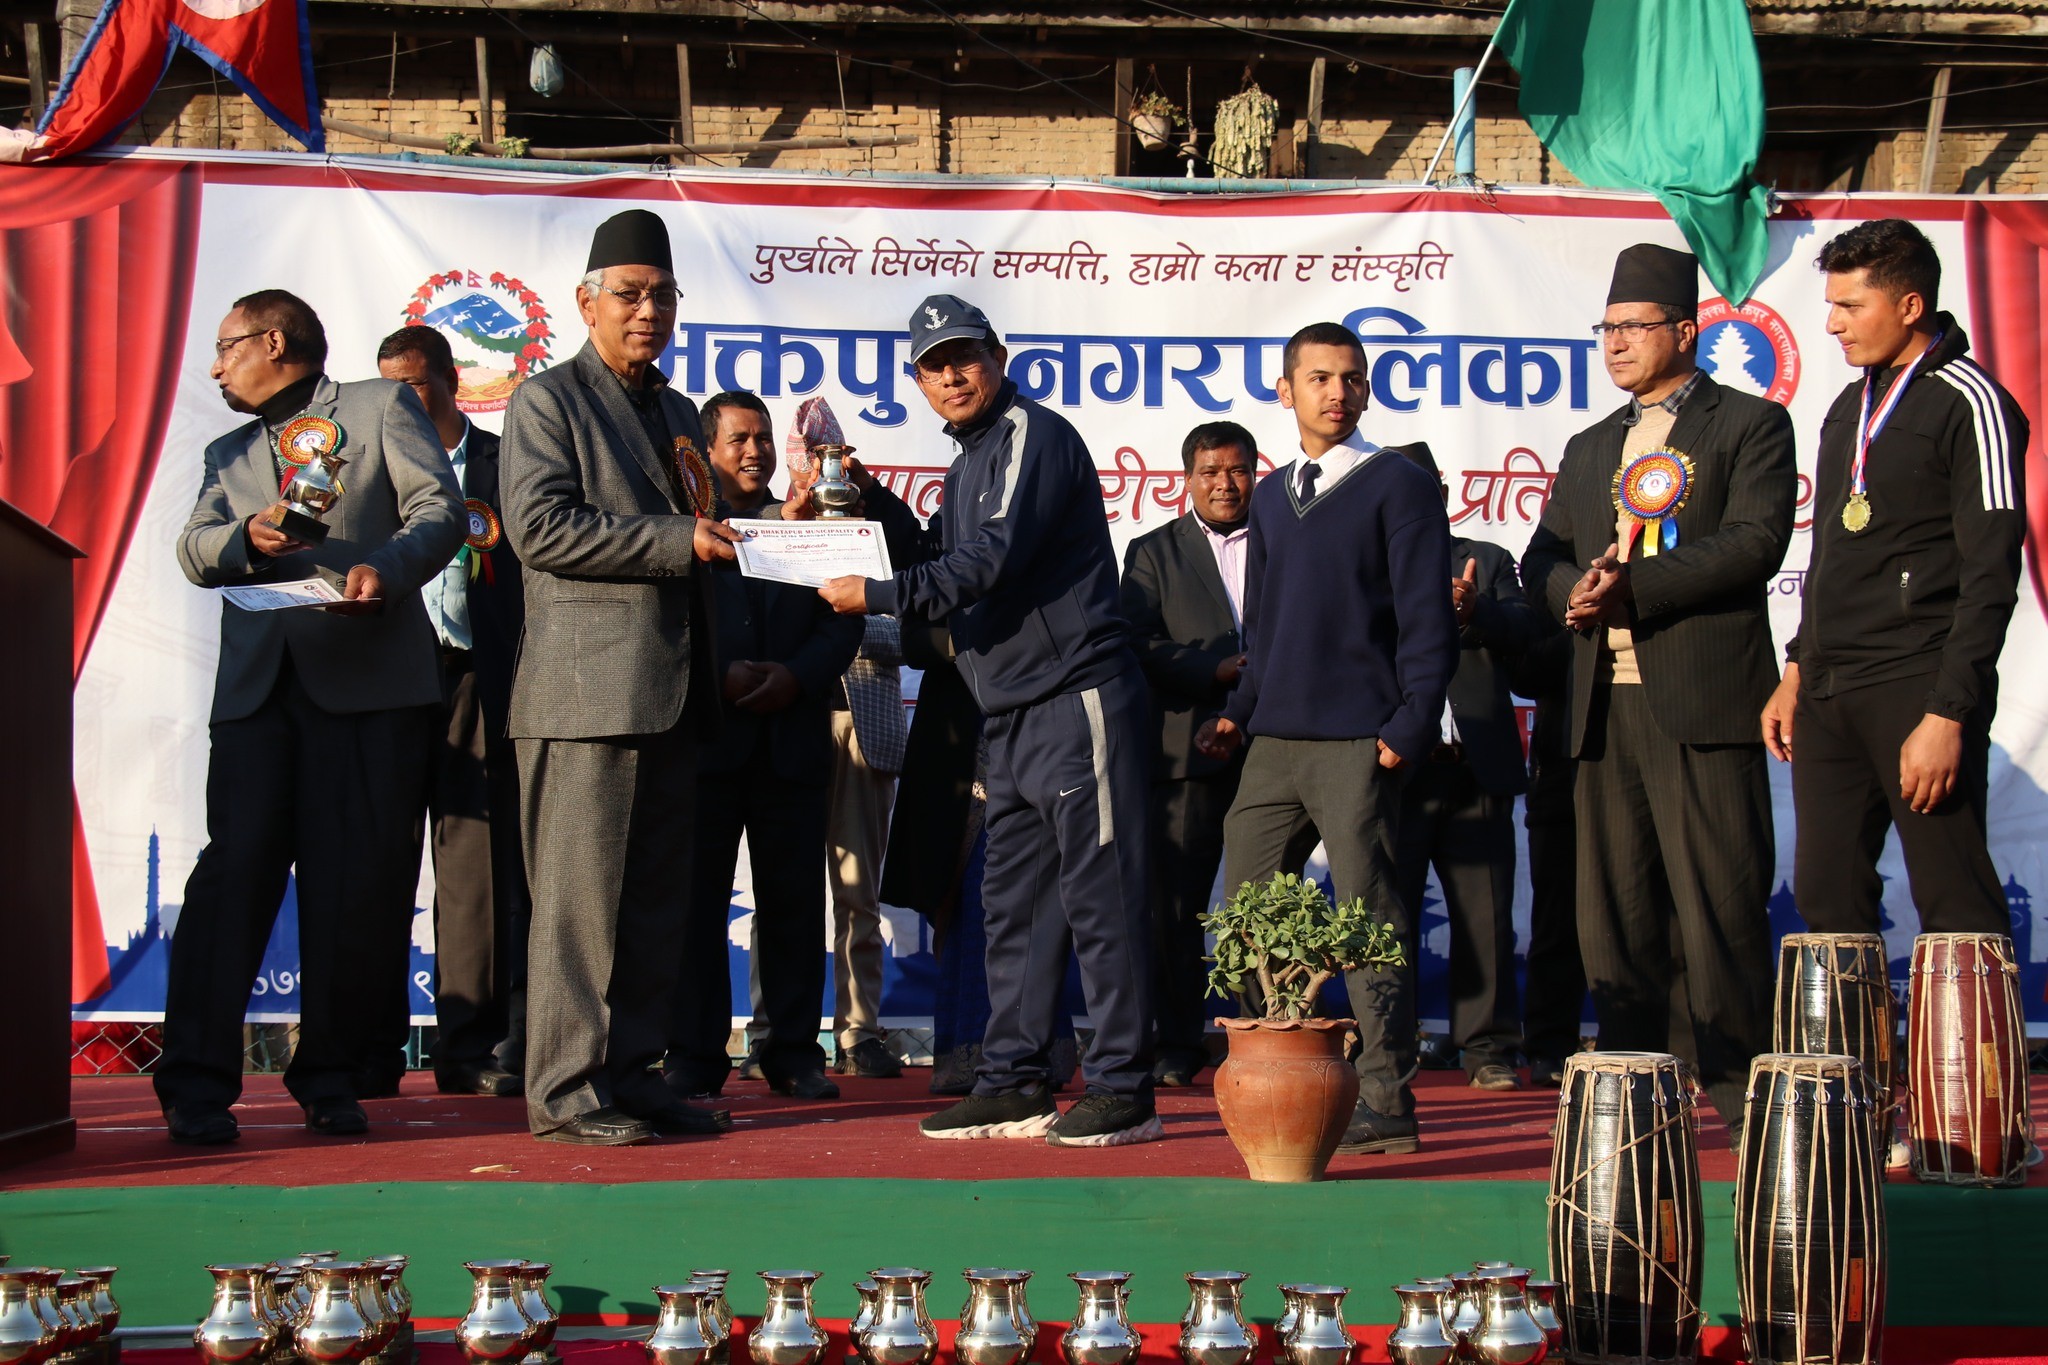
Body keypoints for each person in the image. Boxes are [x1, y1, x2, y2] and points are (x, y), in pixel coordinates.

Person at [818, 293, 1159, 1147]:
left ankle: (1125, 1086)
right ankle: (1013, 1080)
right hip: (1005, 713)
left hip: (1077, 695)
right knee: (1011, 907)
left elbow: (992, 557)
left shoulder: (1032, 435)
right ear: (918, 382)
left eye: (964, 355)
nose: (952, 374)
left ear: (998, 356)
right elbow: (942, 559)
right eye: (933, 365)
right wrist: (857, 504)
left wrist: (879, 594)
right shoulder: (966, 464)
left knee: (1101, 901)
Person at [157, 289, 464, 1143]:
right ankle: (194, 1084)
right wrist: (246, 538)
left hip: (368, 690)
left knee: (355, 889)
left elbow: (438, 510)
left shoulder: (378, 405)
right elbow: (193, 549)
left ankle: (331, 1075)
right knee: (230, 882)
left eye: (226, 348)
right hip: (258, 697)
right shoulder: (227, 452)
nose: (215, 367)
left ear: (273, 340)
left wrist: (385, 572)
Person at [1521, 242, 1795, 1132]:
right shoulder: (1590, 444)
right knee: (1615, 916)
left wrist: (1634, 586)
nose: (1615, 343)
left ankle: (1744, 1105)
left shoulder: (1749, 424)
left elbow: (1755, 541)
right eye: (1606, 328)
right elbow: (1543, 555)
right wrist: (1576, 591)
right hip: (1604, 709)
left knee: (1719, 908)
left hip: (1703, 703)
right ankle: (1636, 1107)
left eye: (1634, 327)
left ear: (1685, 331)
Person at [501, 209, 742, 1145]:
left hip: (672, 692)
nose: (648, 312)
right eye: (630, 295)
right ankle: (566, 1092)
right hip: (586, 695)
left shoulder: (679, 413)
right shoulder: (546, 400)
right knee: (580, 906)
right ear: (586, 303)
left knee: (653, 906)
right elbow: (540, 528)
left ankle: (634, 1076)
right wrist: (679, 540)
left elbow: (702, 529)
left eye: (663, 297)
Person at [1195, 321, 1459, 1157]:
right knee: (1247, 905)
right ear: (1286, 390)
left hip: (1360, 740)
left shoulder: (1399, 483)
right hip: (1275, 739)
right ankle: (1279, 1073)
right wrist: (1242, 709)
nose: (1337, 392)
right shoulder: (1273, 496)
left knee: (1368, 916)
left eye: (1352, 378)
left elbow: (1428, 616)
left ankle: (1385, 1097)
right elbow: (1265, 623)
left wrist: (1411, 721)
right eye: (1319, 378)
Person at [1762, 219, 2028, 937]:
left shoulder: (1973, 403)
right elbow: (1830, 554)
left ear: (1910, 306)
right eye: (1831, 305)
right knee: (1825, 896)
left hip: (1917, 682)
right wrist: (1798, 669)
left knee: (1953, 893)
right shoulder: (1850, 405)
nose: (1832, 324)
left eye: (1851, 306)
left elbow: (1991, 573)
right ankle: (1855, 1024)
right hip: (1829, 689)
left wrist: (1947, 713)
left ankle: (1972, 1024)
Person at [665, 391, 863, 1102]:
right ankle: (694, 1054)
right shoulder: (679, 530)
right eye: (738, 440)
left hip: (793, 741)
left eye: (764, 439)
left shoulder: (810, 525)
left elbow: (842, 622)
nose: (754, 452)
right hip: (705, 745)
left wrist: (795, 677)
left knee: (793, 906)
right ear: (705, 451)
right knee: (695, 907)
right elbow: (659, 625)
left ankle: (792, 1052)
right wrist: (715, 675)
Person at [374, 324, 528, 1099]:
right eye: (387, 388)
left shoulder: (505, 461)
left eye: (412, 385)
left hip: (478, 675)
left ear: (449, 381)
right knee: (379, 859)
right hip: (390, 677)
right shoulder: (368, 462)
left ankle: (470, 1048)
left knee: (476, 870)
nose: (399, 401)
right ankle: (369, 1048)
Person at [1386, 441, 1548, 1091]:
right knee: (1388, 918)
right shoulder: (1362, 564)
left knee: (1485, 917)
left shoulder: (1488, 559)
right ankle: (1389, 1050)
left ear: (1444, 493)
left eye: (1424, 487)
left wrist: (1475, 610)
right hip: (1396, 770)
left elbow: (1528, 631)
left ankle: (1487, 1050)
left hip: (1474, 769)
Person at [1121, 420, 1259, 1087]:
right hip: (1185, 753)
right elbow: (1135, 642)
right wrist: (1214, 669)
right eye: (1210, 472)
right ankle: (1176, 1042)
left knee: (1265, 900)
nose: (1224, 484)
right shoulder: (1152, 552)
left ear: (1255, 474)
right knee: (1175, 906)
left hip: (1276, 745)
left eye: (1236, 470)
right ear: (1187, 479)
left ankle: (1265, 1035)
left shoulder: (1287, 541)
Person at [1510, 629, 1585, 1088]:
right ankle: (1551, 1045)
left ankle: (1674, 1045)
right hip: (1562, 761)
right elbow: (1526, 673)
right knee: (1558, 914)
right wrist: (1578, 621)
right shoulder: (1552, 591)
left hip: (1646, 744)